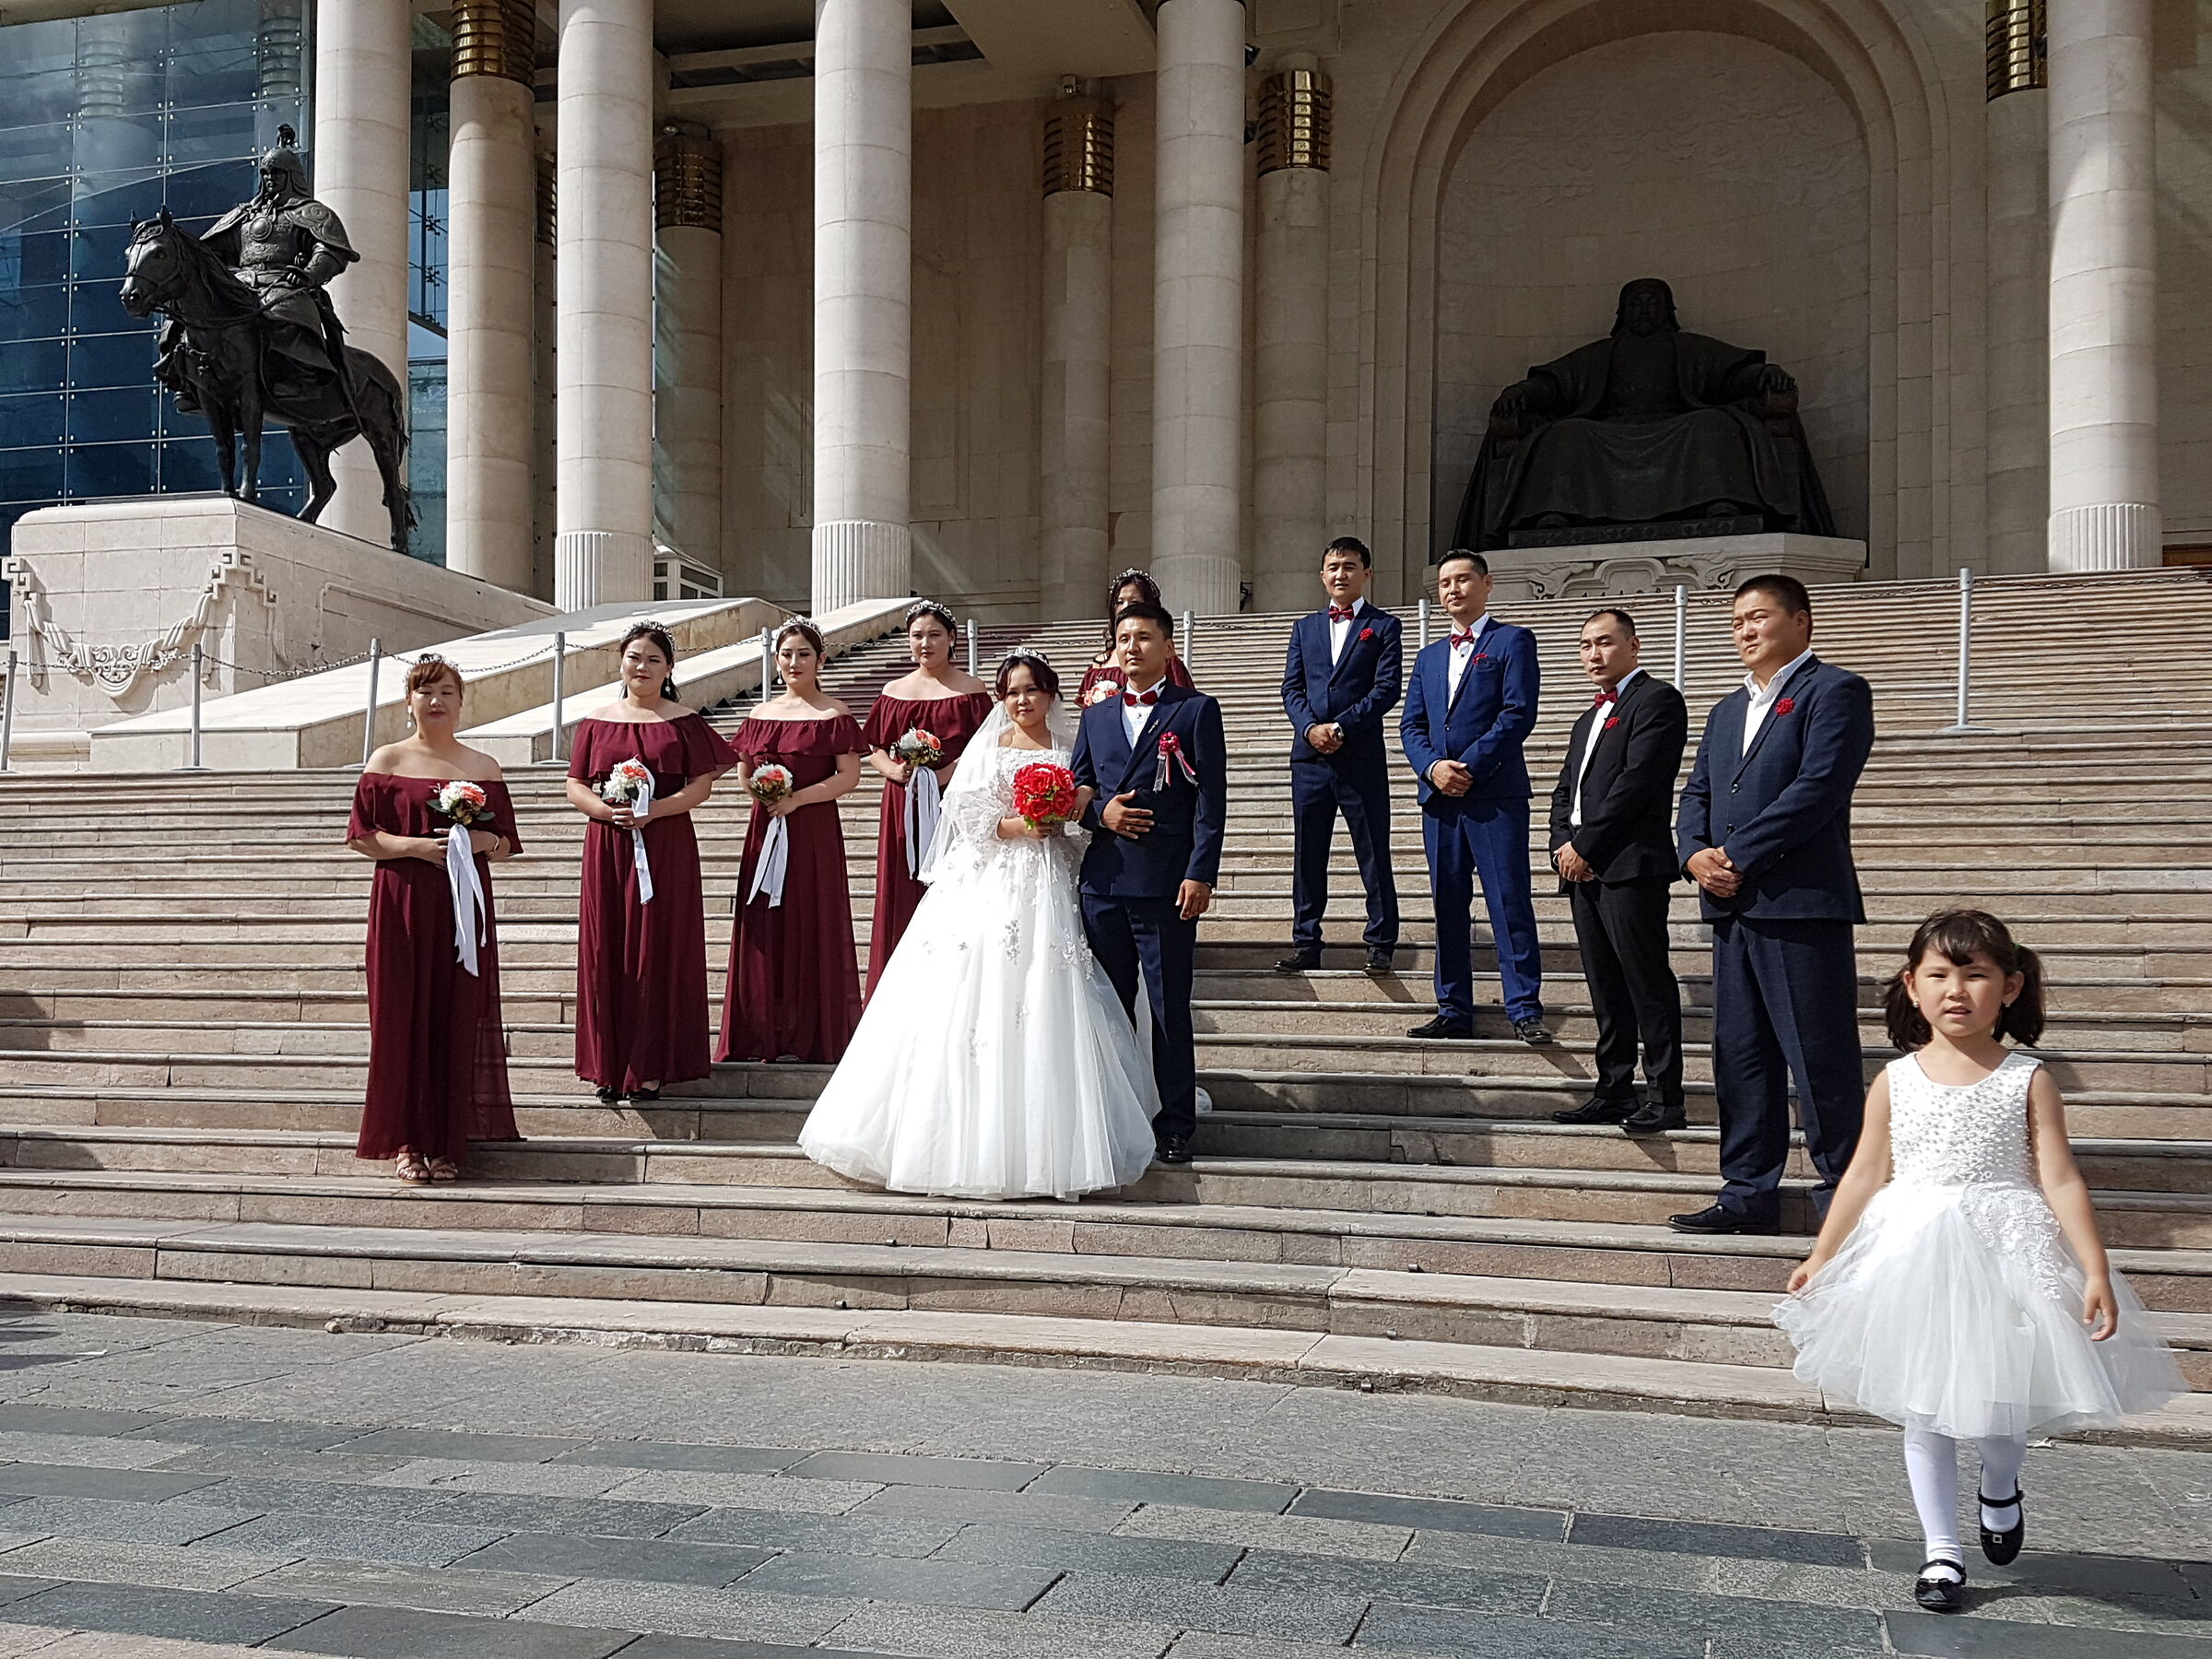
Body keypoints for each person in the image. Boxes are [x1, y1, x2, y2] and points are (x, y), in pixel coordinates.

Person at [1775, 909, 2183, 1615]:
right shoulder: (1895, 1080)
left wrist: (2092, 1267)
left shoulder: (2026, 1079)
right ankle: (1942, 1552)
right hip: (1912, 1250)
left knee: (1998, 1400)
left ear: (2011, 986)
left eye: (1975, 974)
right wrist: (1822, 1253)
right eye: (1938, 974)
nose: (1955, 989)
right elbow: (1866, 1174)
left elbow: (2059, 1177)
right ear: (1911, 984)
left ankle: (2000, 1483)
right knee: (1923, 1404)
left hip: (2005, 1246)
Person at [799, 651, 1161, 1199]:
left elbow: (1088, 821)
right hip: (989, 879)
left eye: (1034, 690)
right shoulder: (987, 747)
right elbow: (965, 815)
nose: (1024, 700)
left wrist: (1062, 821)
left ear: (1052, 694)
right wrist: (1020, 824)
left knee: (1051, 992)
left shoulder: (1073, 749)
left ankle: (1053, 1139)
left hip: (1052, 880)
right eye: (1013, 691)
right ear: (1001, 698)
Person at [1673, 573, 1874, 1234]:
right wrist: (1694, 853)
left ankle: (1846, 1198)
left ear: (1802, 622)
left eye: (1759, 617)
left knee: (1819, 1058)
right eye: (1737, 623)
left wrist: (1738, 856)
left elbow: (1818, 788)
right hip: (1732, 910)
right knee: (1740, 1055)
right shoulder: (1728, 709)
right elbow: (1698, 791)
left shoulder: (1835, 691)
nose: (1747, 631)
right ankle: (1747, 1193)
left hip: (1798, 905)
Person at [345, 657, 521, 1184]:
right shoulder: (388, 759)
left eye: (446, 692)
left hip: (463, 905)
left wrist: (480, 842)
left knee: (454, 1012)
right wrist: (418, 848)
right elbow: (361, 835)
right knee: (402, 1016)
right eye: (426, 692)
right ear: (409, 702)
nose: (436, 701)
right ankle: (405, 1141)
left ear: (461, 702)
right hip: (402, 901)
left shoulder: (482, 766)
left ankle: (446, 1141)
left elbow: (507, 842)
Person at [1072, 601, 1228, 1165]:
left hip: (1166, 885)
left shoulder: (1196, 711)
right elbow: (1077, 790)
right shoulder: (1096, 717)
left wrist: (1200, 872)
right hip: (1105, 884)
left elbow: (1211, 802)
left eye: (1143, 637)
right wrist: (1101, 816)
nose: (1132, 648)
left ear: (1167, 647)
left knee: (1167, 1006)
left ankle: (1176, 1123)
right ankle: (1116, 1116)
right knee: (1109, 1007)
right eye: (1122, 638)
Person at [565, 622, 737, 1105]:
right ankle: (608, 1065)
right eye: (634, 657)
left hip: (665, 844)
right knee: (608, 947)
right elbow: (575, 783)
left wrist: (654, 810)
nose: (642, 667)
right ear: (621, 661)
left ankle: (653, 1064)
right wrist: (604, 810)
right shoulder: (596, 721)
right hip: (608, 844)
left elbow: (701, 785)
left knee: (660, 945)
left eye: (653, 660)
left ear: (669, 669)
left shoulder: (684, 722)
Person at [1398, 549, 1548, 1044]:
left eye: (1464, 580)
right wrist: (1433, 768)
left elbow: (1517, 713)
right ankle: (1452, 1006)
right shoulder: (1428, 656)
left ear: (1487, 585)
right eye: (1445, 583)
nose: (1453, 590)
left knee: (1508, 900)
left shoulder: (1512, 641)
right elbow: (1412, 725)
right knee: (1448, 904)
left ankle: (1523, 1006)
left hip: (1494, 795)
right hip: (1440, 800)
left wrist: (1470, 767)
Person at [1548, 608, 1689, 1133]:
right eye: (1585, 645)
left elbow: (1637, 784)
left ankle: (1665, 1095)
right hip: (1581, 869)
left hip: (1630, 866)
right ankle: (1614, 1089)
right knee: (1604, 985)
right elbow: (1566, 789)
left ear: (1633, 646)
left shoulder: (1657, 701)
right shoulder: (1587, 718)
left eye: (1605, 643)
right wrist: (1563, 843)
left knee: (1645, 981)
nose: (1594, 654)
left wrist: (1586, 844)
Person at [719, 619, 865, 1065]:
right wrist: (765, 796)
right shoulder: (760, 715)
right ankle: (760, 1030)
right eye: (786, 654)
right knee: (764, 921)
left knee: (811, 919)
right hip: (766, 828)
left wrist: (798, 799)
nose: (794, 662)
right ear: (775, 659)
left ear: (820, 660)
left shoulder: (834, 715)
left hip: (813, 831)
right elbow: (744, 770)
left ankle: (812, 1033)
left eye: (804, 653)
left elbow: (850, 776)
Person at [1278, 535, 1403, 976]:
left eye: (1349, 566)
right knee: (1308, 852)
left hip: (1359, 756)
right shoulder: (1304, 628)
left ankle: (1382, 940)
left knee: (1372, 849)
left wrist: (1342, 727)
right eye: (1333, 567)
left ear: (1367, 573)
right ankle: (1306, 940)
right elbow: (1291, 688)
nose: (1340, 574)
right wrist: (1310, 728)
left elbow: (1386, 688)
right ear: (1322, 576)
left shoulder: (1384, 627)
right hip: (1309, 760)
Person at [861, 599, 994, 984]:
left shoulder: (972, 690)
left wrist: (946, 774)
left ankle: (953, 983)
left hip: (954, 801)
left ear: (952, 639)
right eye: (917, 635)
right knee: (902, 883)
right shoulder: (893, 690)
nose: (925, 643)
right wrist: (897, 773)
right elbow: (874, 748)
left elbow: (986, 748)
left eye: (934, 635)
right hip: (903, 802)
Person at [1076, 570, 1196, 707]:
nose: (1125, 607)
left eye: (1134, 602)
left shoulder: (1165, 659)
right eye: (1119, 602)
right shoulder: (1099, 664)